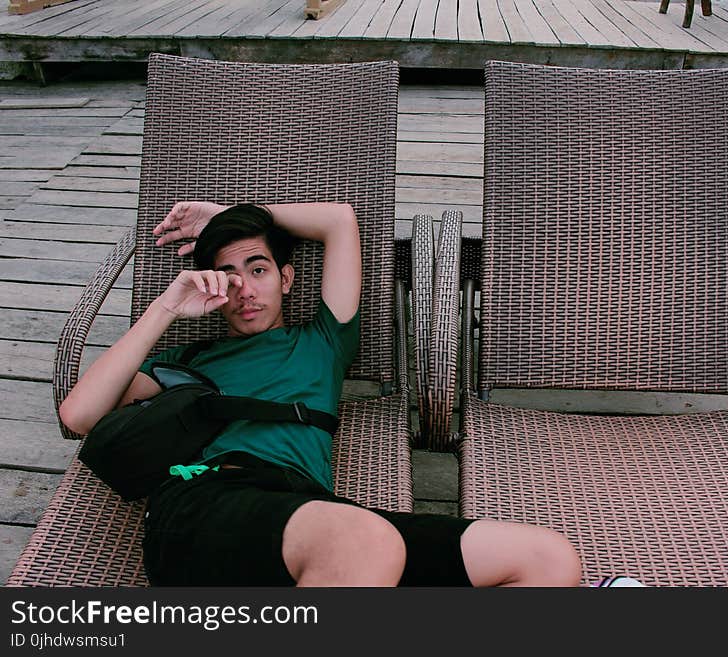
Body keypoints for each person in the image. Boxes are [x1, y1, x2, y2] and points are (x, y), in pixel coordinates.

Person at [58, 201, 585, 587]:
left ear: (286, 278)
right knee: (363, 540)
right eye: (227, 276)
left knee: (547, 559)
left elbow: (339, 220)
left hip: (307, 514)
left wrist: (235, 215)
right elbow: (79, 413)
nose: (244, 288)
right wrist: (167, 307)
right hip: (204, 503)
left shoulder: (323, 341)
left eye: (258, 269)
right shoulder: (184, 364)